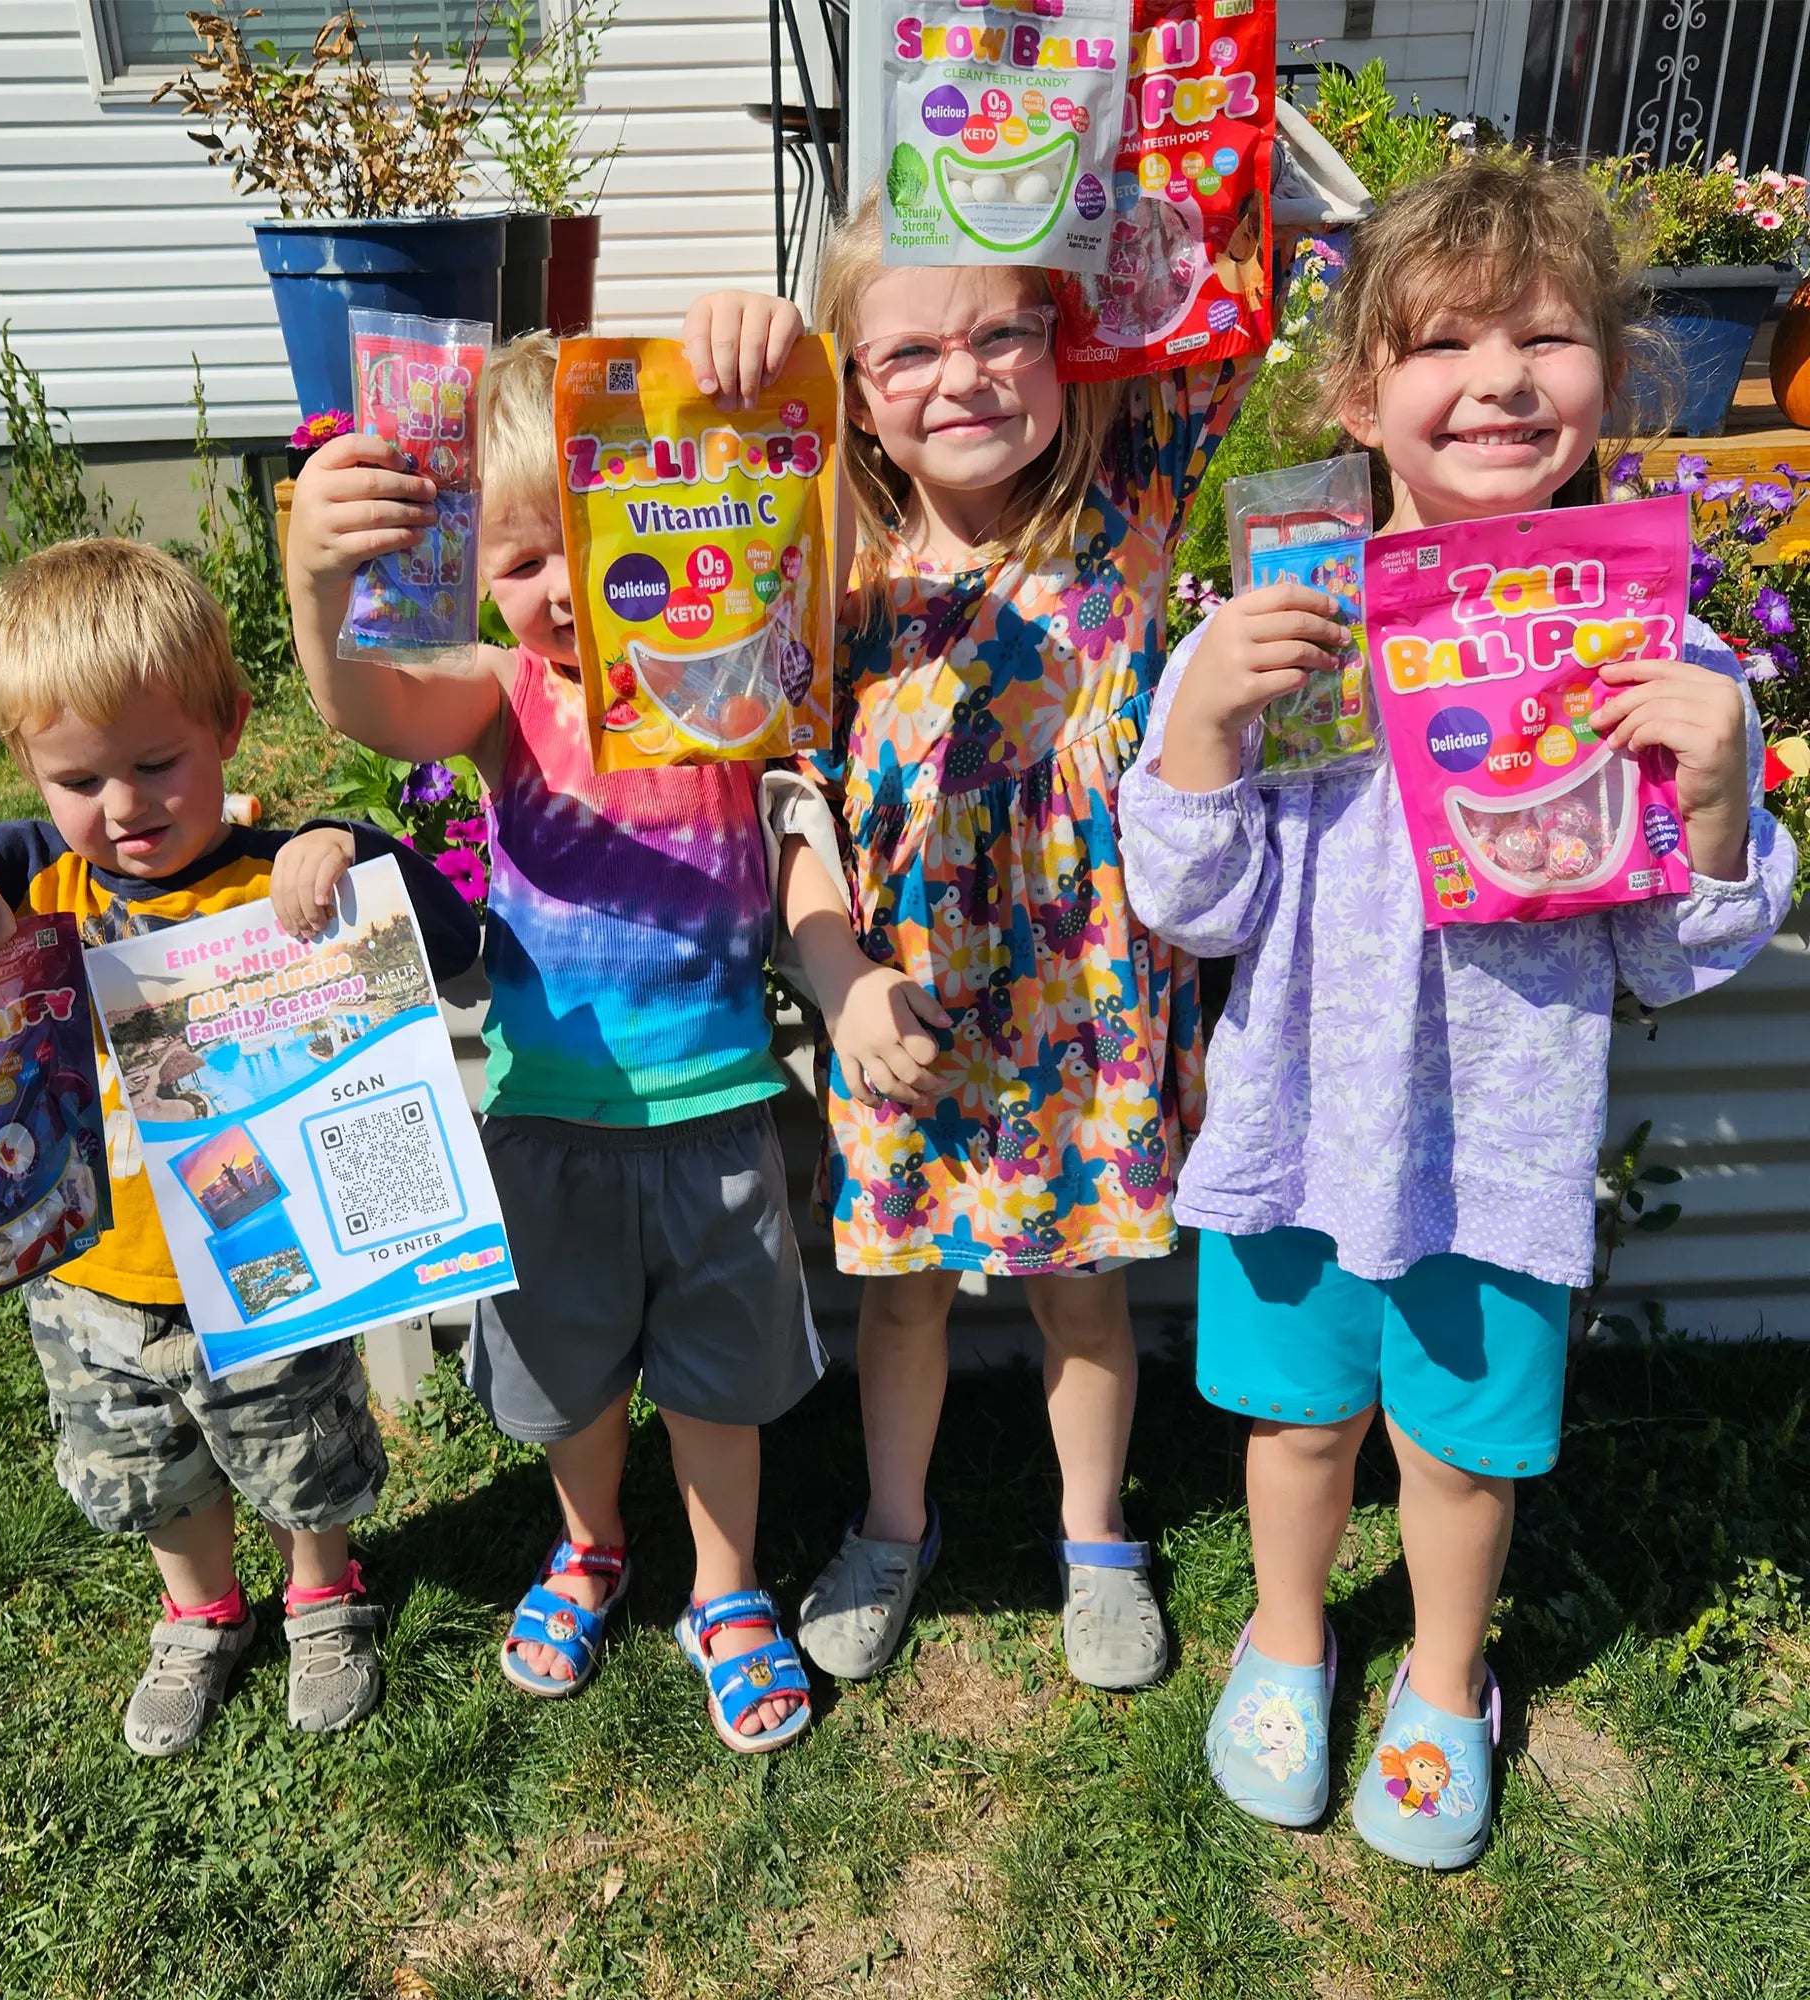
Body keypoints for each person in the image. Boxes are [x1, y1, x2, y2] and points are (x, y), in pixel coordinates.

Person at [1118, 155, 1796, 1867]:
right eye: (1440, 344)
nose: (1496, 376)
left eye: (1546, 337)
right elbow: (1189, 908)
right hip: (1292, 1136)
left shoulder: (1665, 654)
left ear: (1611, 379)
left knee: (1458, 1456)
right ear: (1359, 393)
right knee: (1296, 1425)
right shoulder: (1277, 625)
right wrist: (1200, 722)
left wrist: (1716, 799)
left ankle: (1442, 1678)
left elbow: (1665, 958)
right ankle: (1288, 1635)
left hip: (1497, 1153)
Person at [682, 188, 1258, 1693]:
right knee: (905, 1291)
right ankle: (892, 1523)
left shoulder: (1127, 505)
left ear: (1067, 339)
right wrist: (831, 971)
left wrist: (1101, 136)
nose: (966, 376)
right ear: (853, 390)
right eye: (910, 352)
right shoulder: (818, 562)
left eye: (1007, 332)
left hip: (1088, 999)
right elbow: (787, 794)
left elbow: (1235, 257)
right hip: (899, 999)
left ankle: (1095, 1534)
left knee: (1083, 1290)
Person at [281, 331, 880, 1753]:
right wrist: (318, 583)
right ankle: (594, 1543)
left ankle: (728, 1589)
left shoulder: (732, 682)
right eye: (520, 557)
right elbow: (367, 704)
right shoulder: (504, 697)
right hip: (546, 1116)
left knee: (720, 1381)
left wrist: (791, 380)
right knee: (569, 1378)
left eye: (590, 541)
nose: (563, 590)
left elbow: (828, 563)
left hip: (720, 1108)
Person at [0, 536, 488, 1755]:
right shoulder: (26, 877)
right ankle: (200, 1610)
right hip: (90, 1282)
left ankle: (322, 1590)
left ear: (228, 724)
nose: (122, 807)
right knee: (148, 1465)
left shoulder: (277, 876)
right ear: (25, 765)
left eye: (157, 762)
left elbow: (444, 925)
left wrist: (347, 848)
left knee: (299, 1448)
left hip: (267, 1260)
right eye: (77, 778)